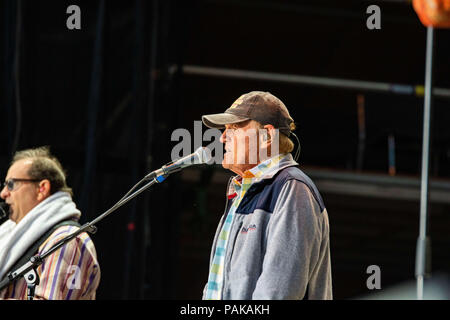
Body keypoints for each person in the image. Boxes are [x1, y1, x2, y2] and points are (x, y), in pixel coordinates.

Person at [201, 91, 332, 300]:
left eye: (234, 128)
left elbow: (278, 294)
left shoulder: (292, 189)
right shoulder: (242, 191)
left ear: (267, 137)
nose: (223, 137)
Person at [0, 146, 100, 300]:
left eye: (11, 184)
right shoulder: (9, 234)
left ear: (42, 188)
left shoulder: (66, 239)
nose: (3, 193)